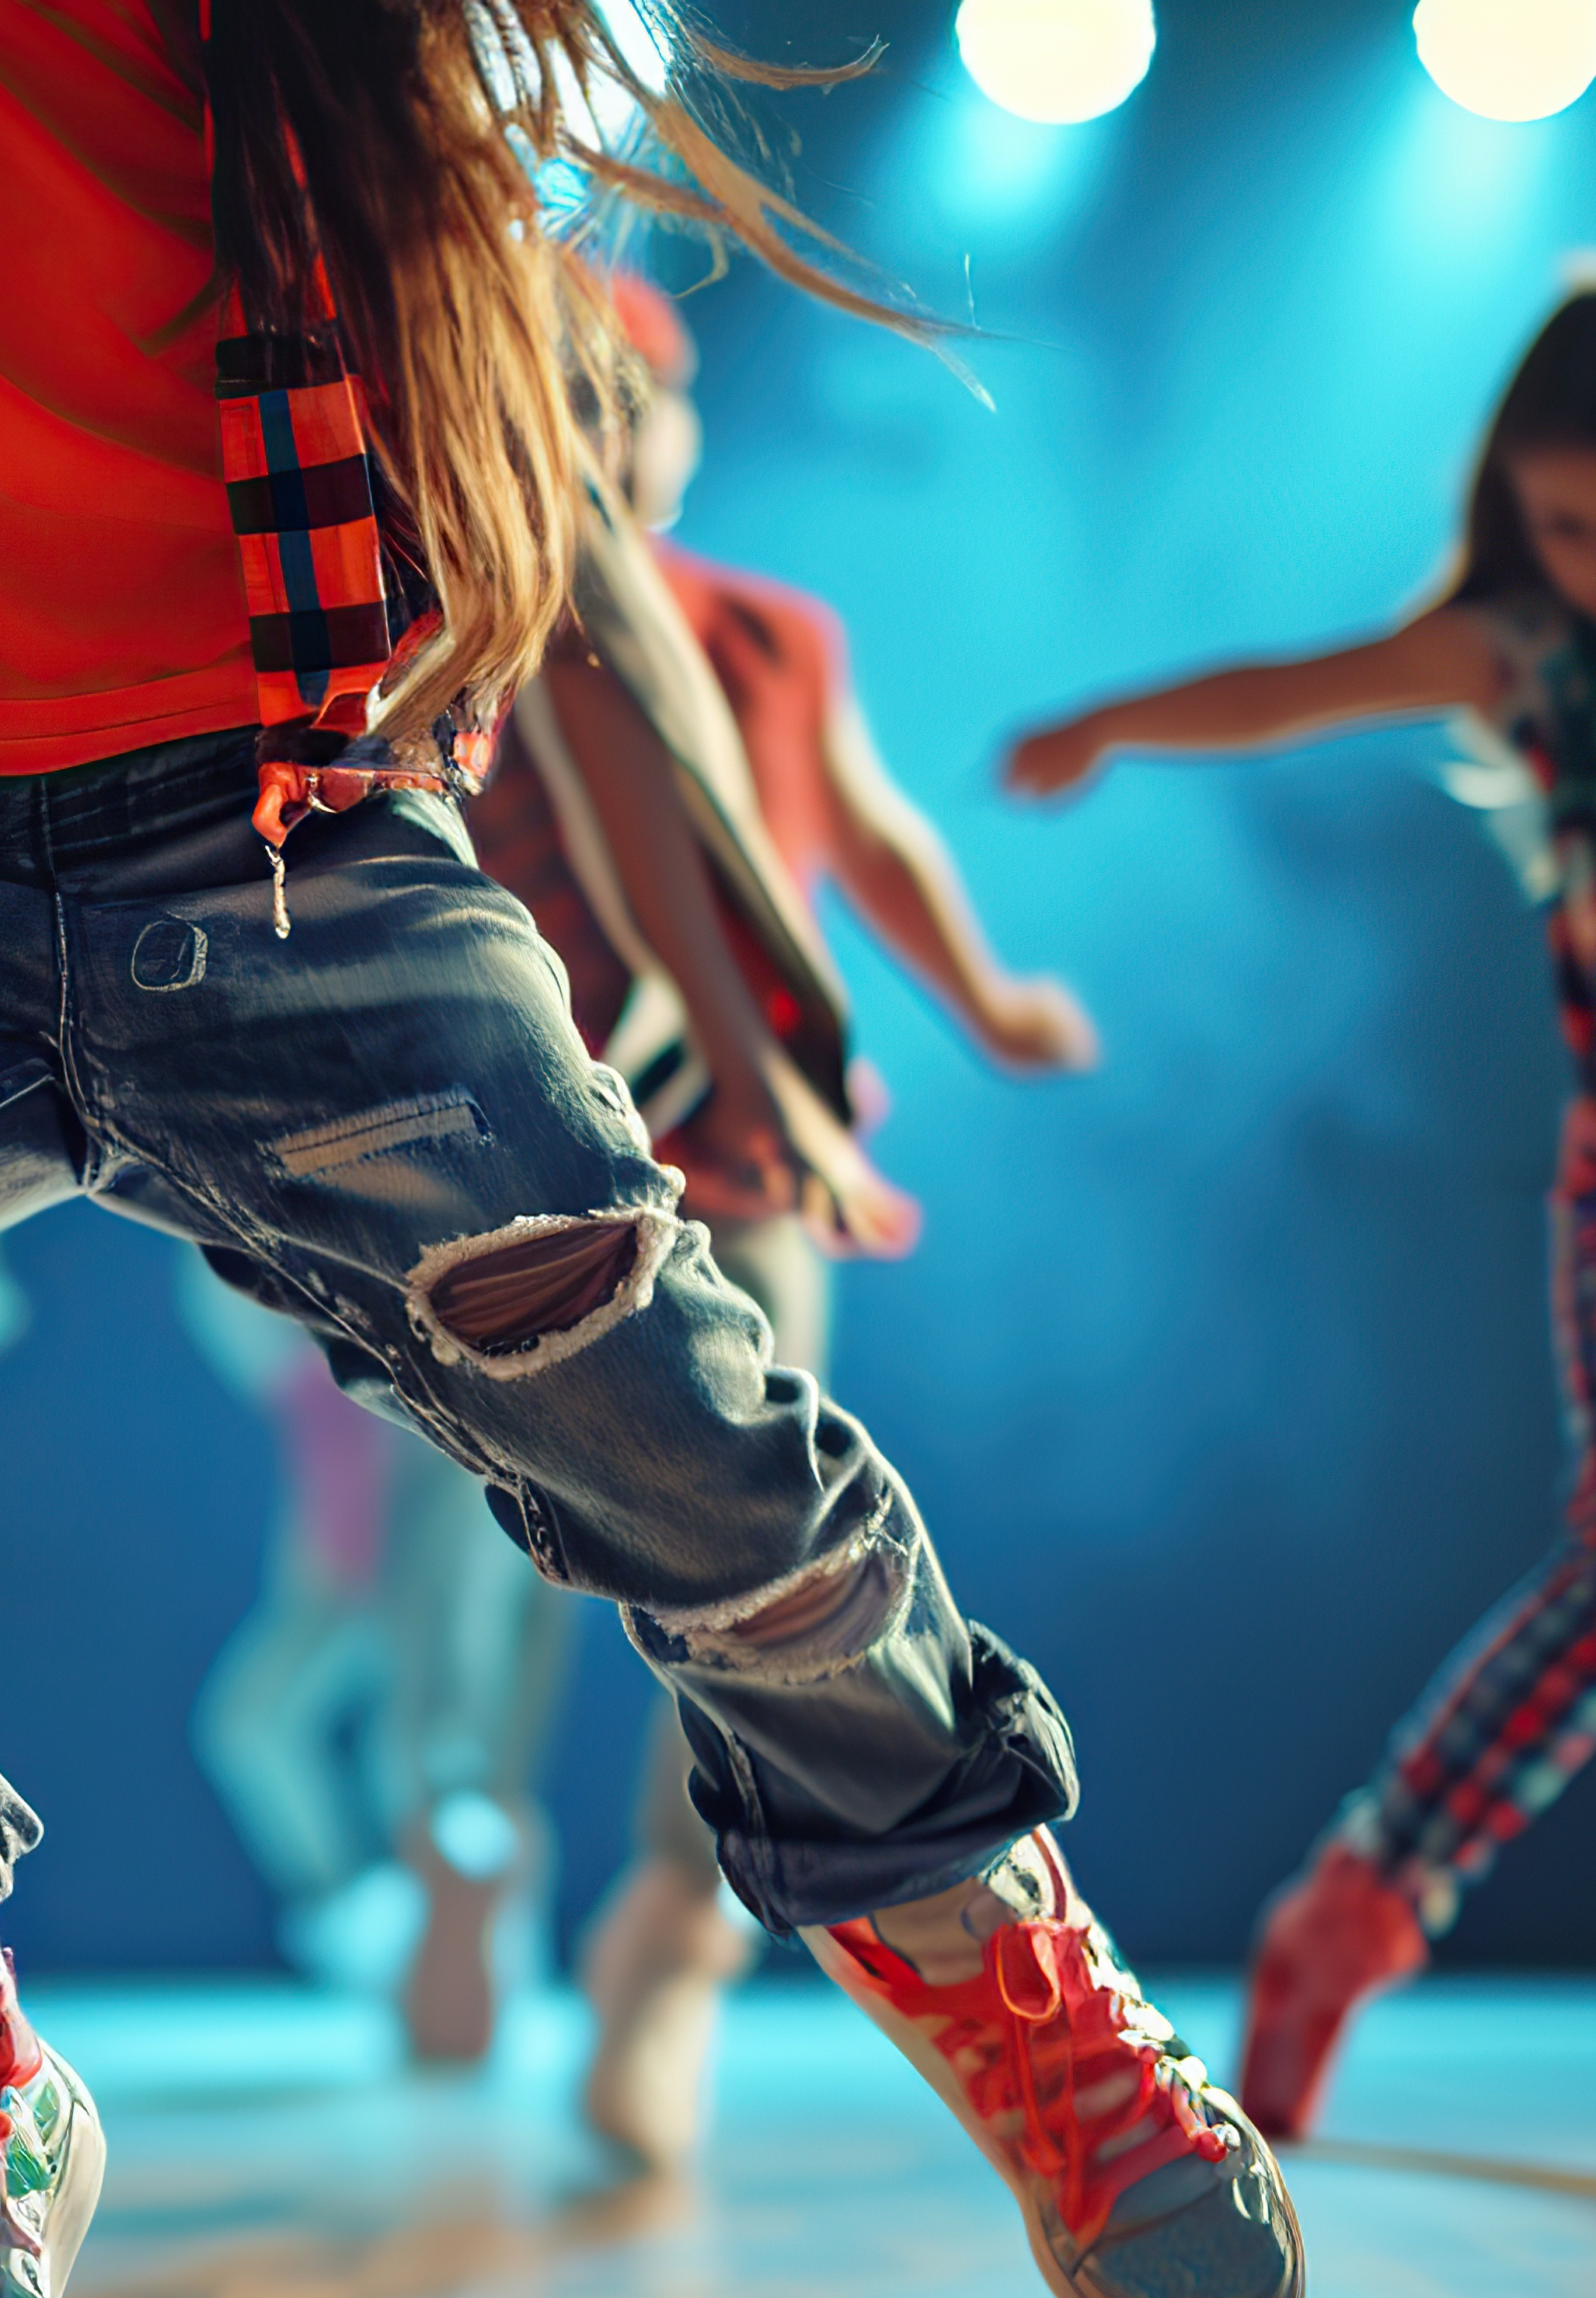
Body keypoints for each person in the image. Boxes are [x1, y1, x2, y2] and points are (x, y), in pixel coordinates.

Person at [0, 0, 1300, 2298]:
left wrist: (765, 1007)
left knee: (637, 1382)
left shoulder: (351, 54)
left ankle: (970, 1922)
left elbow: (597, 589)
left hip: (277, 825)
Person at [1007, 265, 1596, 2143]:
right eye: (1567, 529)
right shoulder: (1533, 646)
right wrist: (1108, 724)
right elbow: (1296, 687)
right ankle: (1356, 1908)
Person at [319, 269, 1104, 2161]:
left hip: (736, 1163)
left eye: (618, 402)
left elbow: (861, 829)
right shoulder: (453, 628)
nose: (585, 441)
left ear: (677, 431)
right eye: (544, 404)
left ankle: (676, 1936)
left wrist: (982, 998)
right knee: (474, 1560)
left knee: (762, 1543)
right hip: (508, 1176)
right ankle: (459, 1851)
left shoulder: (772, 634)